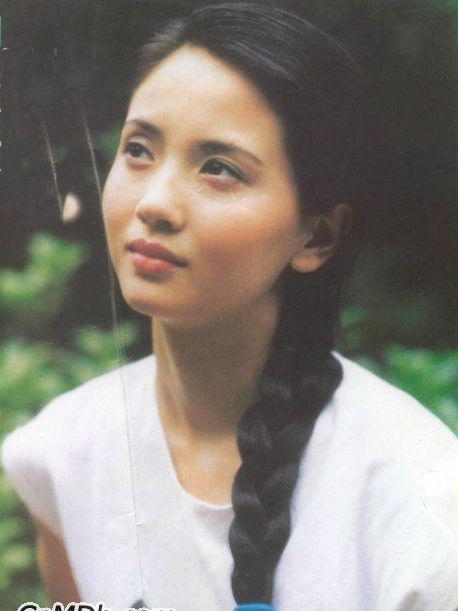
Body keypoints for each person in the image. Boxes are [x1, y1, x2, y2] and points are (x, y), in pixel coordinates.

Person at [2, 3, 458, 611]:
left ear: (318, 236)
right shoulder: (63, 455)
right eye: (138, 150)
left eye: (219, 169)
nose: (154, 203)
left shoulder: (422, 512)